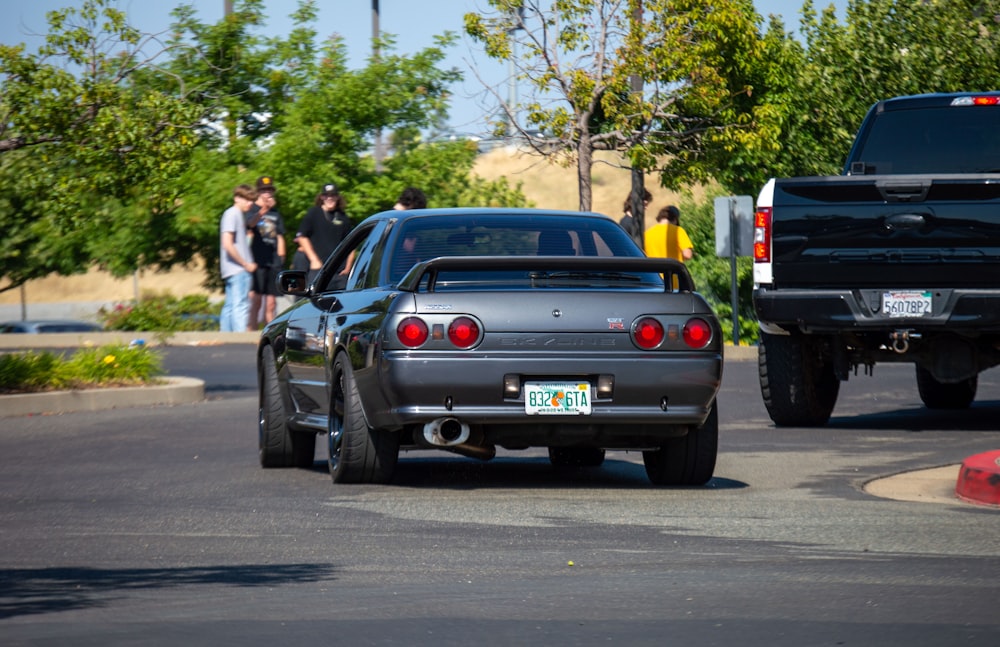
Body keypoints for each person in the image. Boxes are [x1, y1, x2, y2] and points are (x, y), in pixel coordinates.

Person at [295, 183, 354, 288]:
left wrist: (348, 267)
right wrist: (314, 260)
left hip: (339, 272)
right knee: (313, 301)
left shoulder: (343, 217)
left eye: (333, 195)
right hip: (319, 269)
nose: (329, 198)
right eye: (326, 195)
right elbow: (302, 237)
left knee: (340, 303)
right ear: (321, 197)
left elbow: (351, 243)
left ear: (337, 197)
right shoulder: (314, 213)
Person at [246, 176, 286, 329]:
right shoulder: (252, 209)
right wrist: (264, 210)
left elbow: (280, 235)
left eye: (269, 190)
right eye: (264, 190)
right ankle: (250, 332)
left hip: (273, 261)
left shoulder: (276, 213)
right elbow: (250, 223)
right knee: (256, 300)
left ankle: (268, 333)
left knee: (271, 303)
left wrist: (281, 258)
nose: (267, 193)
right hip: (257, 259)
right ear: (258, 192)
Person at [219, 184, 258, 332]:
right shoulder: (232, 214)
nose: (250, 203)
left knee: (230, 305)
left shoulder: (236, 215)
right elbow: (227, 244)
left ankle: (226, 337)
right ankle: (239, 339)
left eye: (251, 200)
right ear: (237, 198)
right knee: (240, 304)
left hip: (232, 269)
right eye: (247, 200)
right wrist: (245, 264)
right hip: (238, 269)